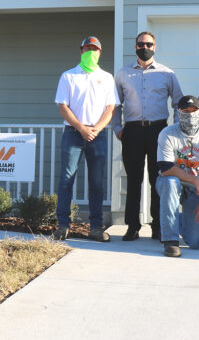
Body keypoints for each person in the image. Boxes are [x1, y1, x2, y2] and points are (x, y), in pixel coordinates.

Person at [113, 31, 183, 242]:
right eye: (141, 44)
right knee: (133, 180)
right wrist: (117, 127)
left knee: (158, 179)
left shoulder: (167, 73)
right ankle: (132, 226)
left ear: (155, 47)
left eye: (149, 44)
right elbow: (116, 104)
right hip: (132, 131)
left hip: (159, 132)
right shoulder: (123, 74)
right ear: (135, 47)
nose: (145, 47)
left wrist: (176, 130)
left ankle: (158, 226)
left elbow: (178, 102)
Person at [54, 36, 119, 242]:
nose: (91, 52)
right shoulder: (68, 76)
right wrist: (81, 128)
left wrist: (96, 128)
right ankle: (63, 225)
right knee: (66, 180)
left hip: (97, 136)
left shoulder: (107, 77)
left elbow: (111, 107)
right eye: (87, 48)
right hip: (73, 134)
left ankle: (96, 227)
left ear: (100, 53)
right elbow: (63, 106)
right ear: (80, 51)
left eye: (95, 49)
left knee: (97, 183)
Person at [156, 95, 199, 257]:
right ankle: (170, 241)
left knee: (195, 242)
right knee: (171, 182)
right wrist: (194, 179)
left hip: (196, 191)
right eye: (185, 111)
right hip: (171, 183)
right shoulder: (167, 133)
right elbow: (165, 167)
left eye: (193, 110)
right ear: (178, 113)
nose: (190, 114)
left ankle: (172, 220)